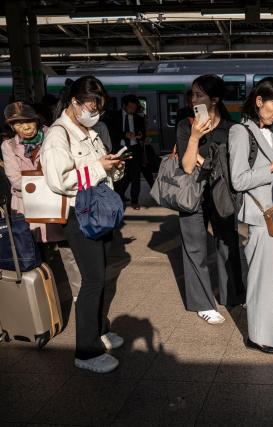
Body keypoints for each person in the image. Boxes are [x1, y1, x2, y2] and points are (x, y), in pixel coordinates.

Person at [41, 76, 126, 374]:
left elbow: (97, 169)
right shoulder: (57, 135)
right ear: (73, 102)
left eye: (99, 106)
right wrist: (97, 167)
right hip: (79, 216)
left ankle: (100, 330)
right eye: (91, 105)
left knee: (101, 275)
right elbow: (59, 180)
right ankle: (86, 352)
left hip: (97, 211)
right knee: (92, 282)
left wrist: (112, 167)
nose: (95, 111)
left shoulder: (88, 131)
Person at [229, 77, 273, 354]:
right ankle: (258, 336)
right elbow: (238, 180)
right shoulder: (239, 132)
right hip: (257, 217)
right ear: (259, 102)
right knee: (260, 279)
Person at [177, 74, 245, 323]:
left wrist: (206, 162)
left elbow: (231, 166)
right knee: (195, 247)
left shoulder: (231, 128)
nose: (192, 99)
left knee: (228, 242)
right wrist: (195, 137)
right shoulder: (186, 124)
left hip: (221, 191)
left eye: (198, 95)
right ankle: (202, 303)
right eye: (192, 94)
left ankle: (233, 295)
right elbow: (186, 165)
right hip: (192, 192)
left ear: (214, 99)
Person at [2, 102, 82, 299]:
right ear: (12, 127)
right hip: (26, 209)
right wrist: (51, 180)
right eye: (18, 124)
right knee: (33, 257)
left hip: (56, 205)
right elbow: (15, 179)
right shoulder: (8, 145)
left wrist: (38, 182)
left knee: (68, 253)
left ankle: (80, 297)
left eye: (28, 121)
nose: (26, 127)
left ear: (36, 119)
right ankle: (44, 300)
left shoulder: (54, 135)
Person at [107, 94, 146, 209]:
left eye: (134, 108)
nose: (133, 110)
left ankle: (135, 201)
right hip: (120, 150)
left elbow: (143, 133)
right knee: (119, 176)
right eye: (130, 107)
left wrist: (140, 135)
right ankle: (119, 198)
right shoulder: (114, 116)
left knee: (135, 177)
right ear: (124, 105)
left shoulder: (139, 118)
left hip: (134, 150)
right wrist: (125, 134)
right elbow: (111, 132)